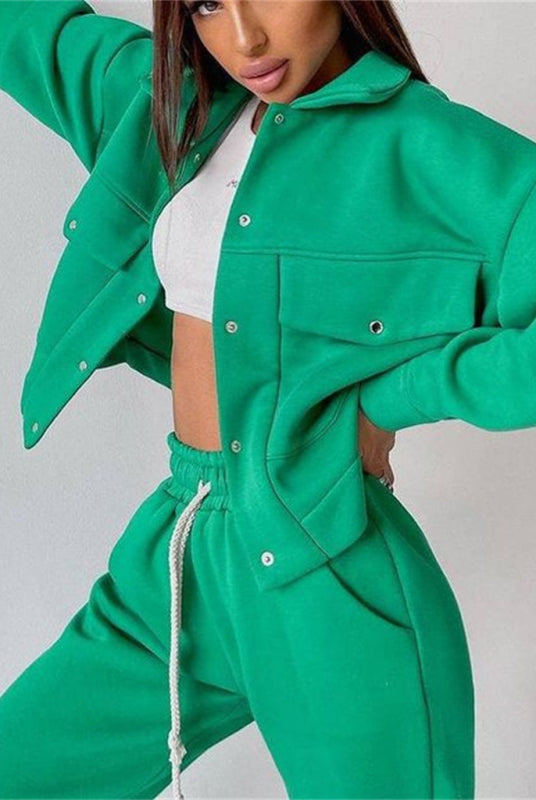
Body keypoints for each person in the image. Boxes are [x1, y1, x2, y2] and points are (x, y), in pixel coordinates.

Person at [3, 0, 536, 798]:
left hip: (328, 569)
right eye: (207, 5)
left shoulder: (433, 149)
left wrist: (389, 398)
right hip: (177, 555)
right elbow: (28, 28)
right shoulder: (164, 107)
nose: (244, 37)